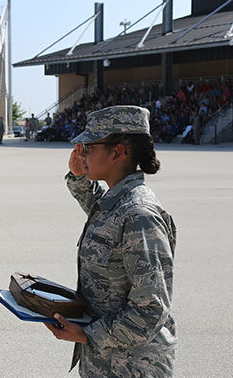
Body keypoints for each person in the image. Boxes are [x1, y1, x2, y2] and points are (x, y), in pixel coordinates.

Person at [44, 105, 177, 377]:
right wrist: (79, 175)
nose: (82, 154)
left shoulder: (139, 215)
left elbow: (151, 308)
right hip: (107, 358)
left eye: (89, 147)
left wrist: (86, 333)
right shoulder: (116, 202)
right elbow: (97, 207)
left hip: (132, 365)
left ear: (117, 151)